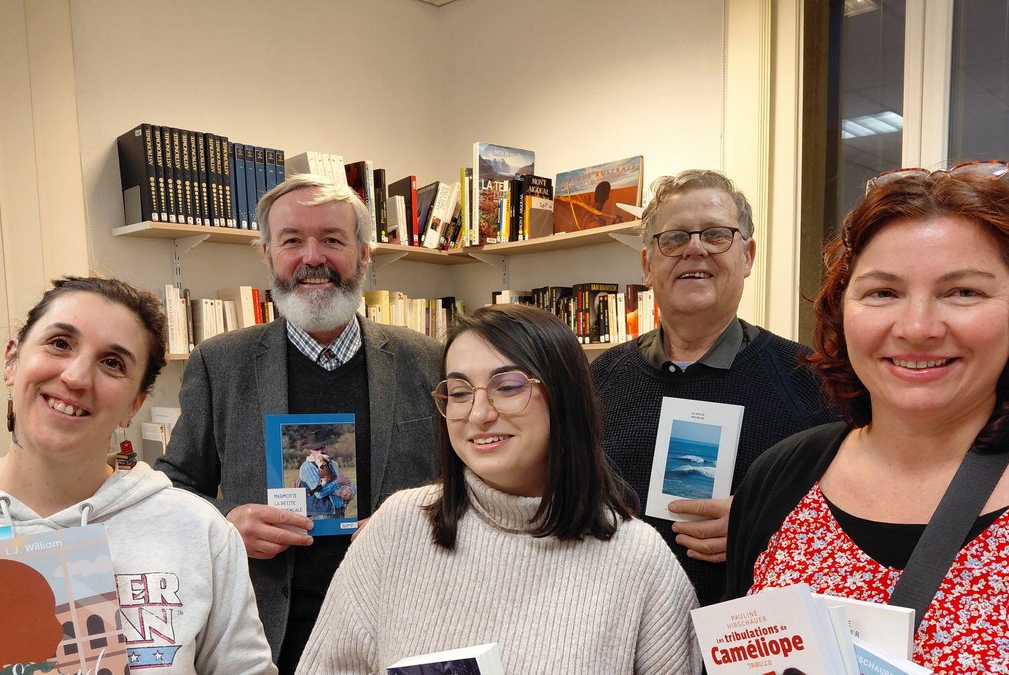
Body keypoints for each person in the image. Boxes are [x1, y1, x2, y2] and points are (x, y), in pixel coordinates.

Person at [725, 161, 1009, 672]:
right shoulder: (778, 479)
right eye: (883, 292)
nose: (918, 327)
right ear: (842, 311)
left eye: (963, 291)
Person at [297, 304, 701, 673]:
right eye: (458, 393)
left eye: (507, 387)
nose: (479, 413)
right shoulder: (396, 529)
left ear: (564, 396)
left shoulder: (638, 561)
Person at [0, 276, 275, 674]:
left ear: (135, 404)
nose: (76, 378)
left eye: (112, 363)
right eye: (60, 343)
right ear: (12, 359)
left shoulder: (200, 532)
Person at [156, 174, 442, 672]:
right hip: (270, 637)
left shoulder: (429, 360)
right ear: (268, 255)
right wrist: (224, 522)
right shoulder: (219, 364)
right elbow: (172, 488)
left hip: (406, 627)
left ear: (364, 255)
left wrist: (420, 517)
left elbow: (472, 482)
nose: (313, 258)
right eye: (292, 240)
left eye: (332, 239)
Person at [591, 169, 838, 605]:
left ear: (747, 256)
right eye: (674, 238)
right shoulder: (598, 379)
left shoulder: (813, 381)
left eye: (716, 235)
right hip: (615, 627)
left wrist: (765, 524)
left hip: (746, 644)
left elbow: (863, 509)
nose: (694, 249)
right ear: (648, 264)